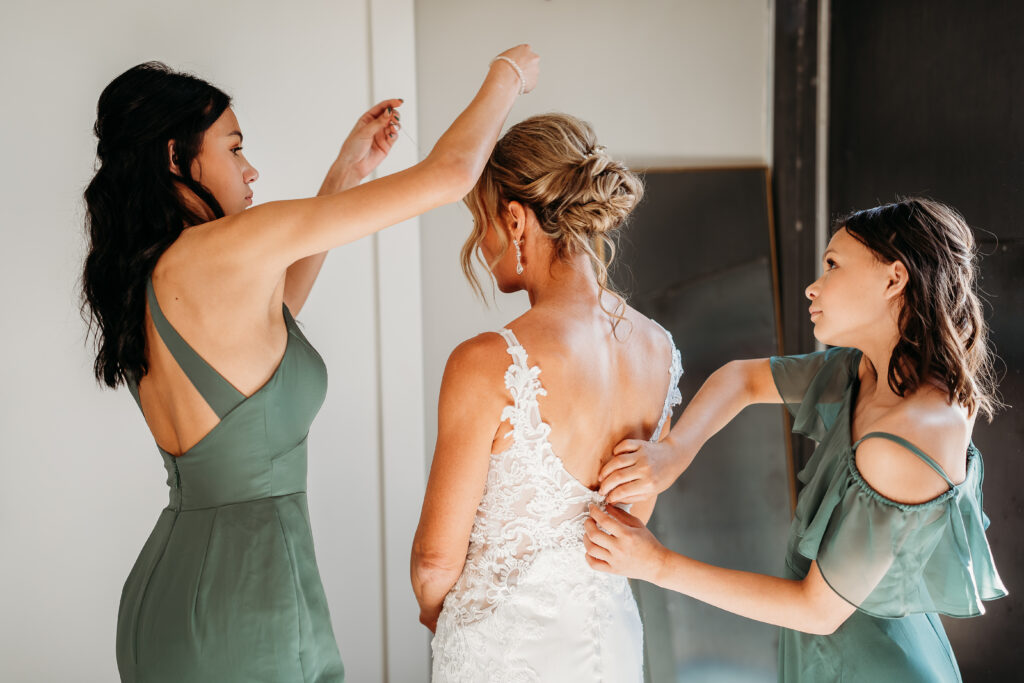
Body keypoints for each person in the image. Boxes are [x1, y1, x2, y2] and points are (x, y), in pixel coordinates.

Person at [81, 45, 539, 682]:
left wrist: (343, 175)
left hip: (168, 596)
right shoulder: (225, 248)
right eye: (234, 148)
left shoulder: (150, 276)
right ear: (174, 156)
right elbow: (450, 174)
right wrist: (508, 76)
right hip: (249, 595)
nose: (251, 171)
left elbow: (276, 323)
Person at [587, 197, 1007, 682]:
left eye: (832, 265)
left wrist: (655, 564)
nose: (813, 287)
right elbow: (743, 379)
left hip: (874, 668)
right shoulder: (870, 372)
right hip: (828, 655)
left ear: (894, 279)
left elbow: (817, 611)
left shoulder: (907, 438)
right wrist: (672, 454)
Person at [410, 113, 683, 682]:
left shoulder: (488, 361)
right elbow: (629, 517)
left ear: (515, 219)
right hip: (609, 642)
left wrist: (445, 621)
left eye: (481, 222)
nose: (480, 245)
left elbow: (435, 561)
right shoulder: (659, 348)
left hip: (503, 653)